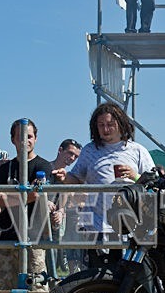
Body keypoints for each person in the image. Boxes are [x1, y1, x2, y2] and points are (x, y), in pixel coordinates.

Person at [52, 103, 155, 268]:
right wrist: (65, 178)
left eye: (110, 124)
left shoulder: (137, 150)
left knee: (127, 274)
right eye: (101, 125)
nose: (105, 129)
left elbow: (153, 183)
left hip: (129, 226)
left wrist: (135, 176)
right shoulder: (89, 150)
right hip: (96, 225)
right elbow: (77, 179)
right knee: (97, 274)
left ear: (121, 124)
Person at [0, 120, 56, 290]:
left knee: (37, 289)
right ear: (12, 139)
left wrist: (11, 198)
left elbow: (37, 194)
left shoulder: (43, 166)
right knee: (2, 290)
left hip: (33, 238)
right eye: (20, 137)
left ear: (35, 138)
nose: (25, 141)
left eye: (29, 136)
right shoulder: (5, 169)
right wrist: (25, 197)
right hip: (7, 236)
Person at [49, 139, 82, 272]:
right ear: (60, 150)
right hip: (39, 220)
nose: (72, 158)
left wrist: (61, 211)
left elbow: (66, 194)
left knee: (56, 254)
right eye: (70, 153)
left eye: (76, 156)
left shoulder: (69, 176)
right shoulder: (45, 168)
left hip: (57, 222)